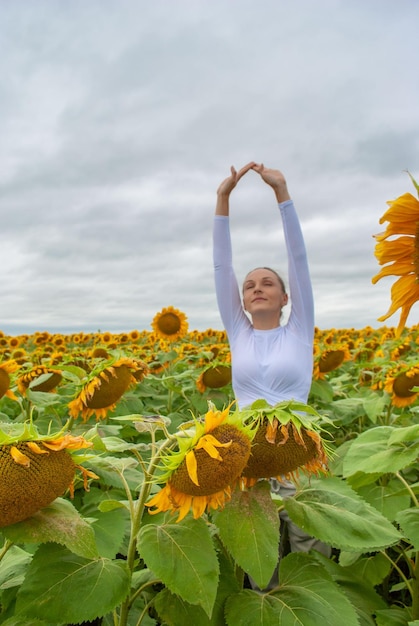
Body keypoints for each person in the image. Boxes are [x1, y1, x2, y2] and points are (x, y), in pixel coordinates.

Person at [213, 162, 330, 588]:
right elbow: (221, 267)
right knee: (258, 558)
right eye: (249, 285)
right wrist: (223, 199)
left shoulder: (299, 331)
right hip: (246, 456)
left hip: (296, 453)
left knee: (308, 551)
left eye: (267, 283)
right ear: (241, 301)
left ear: (285, 297)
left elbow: (298, 259)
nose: (257, 288)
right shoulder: (238, 332)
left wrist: (282, 192)